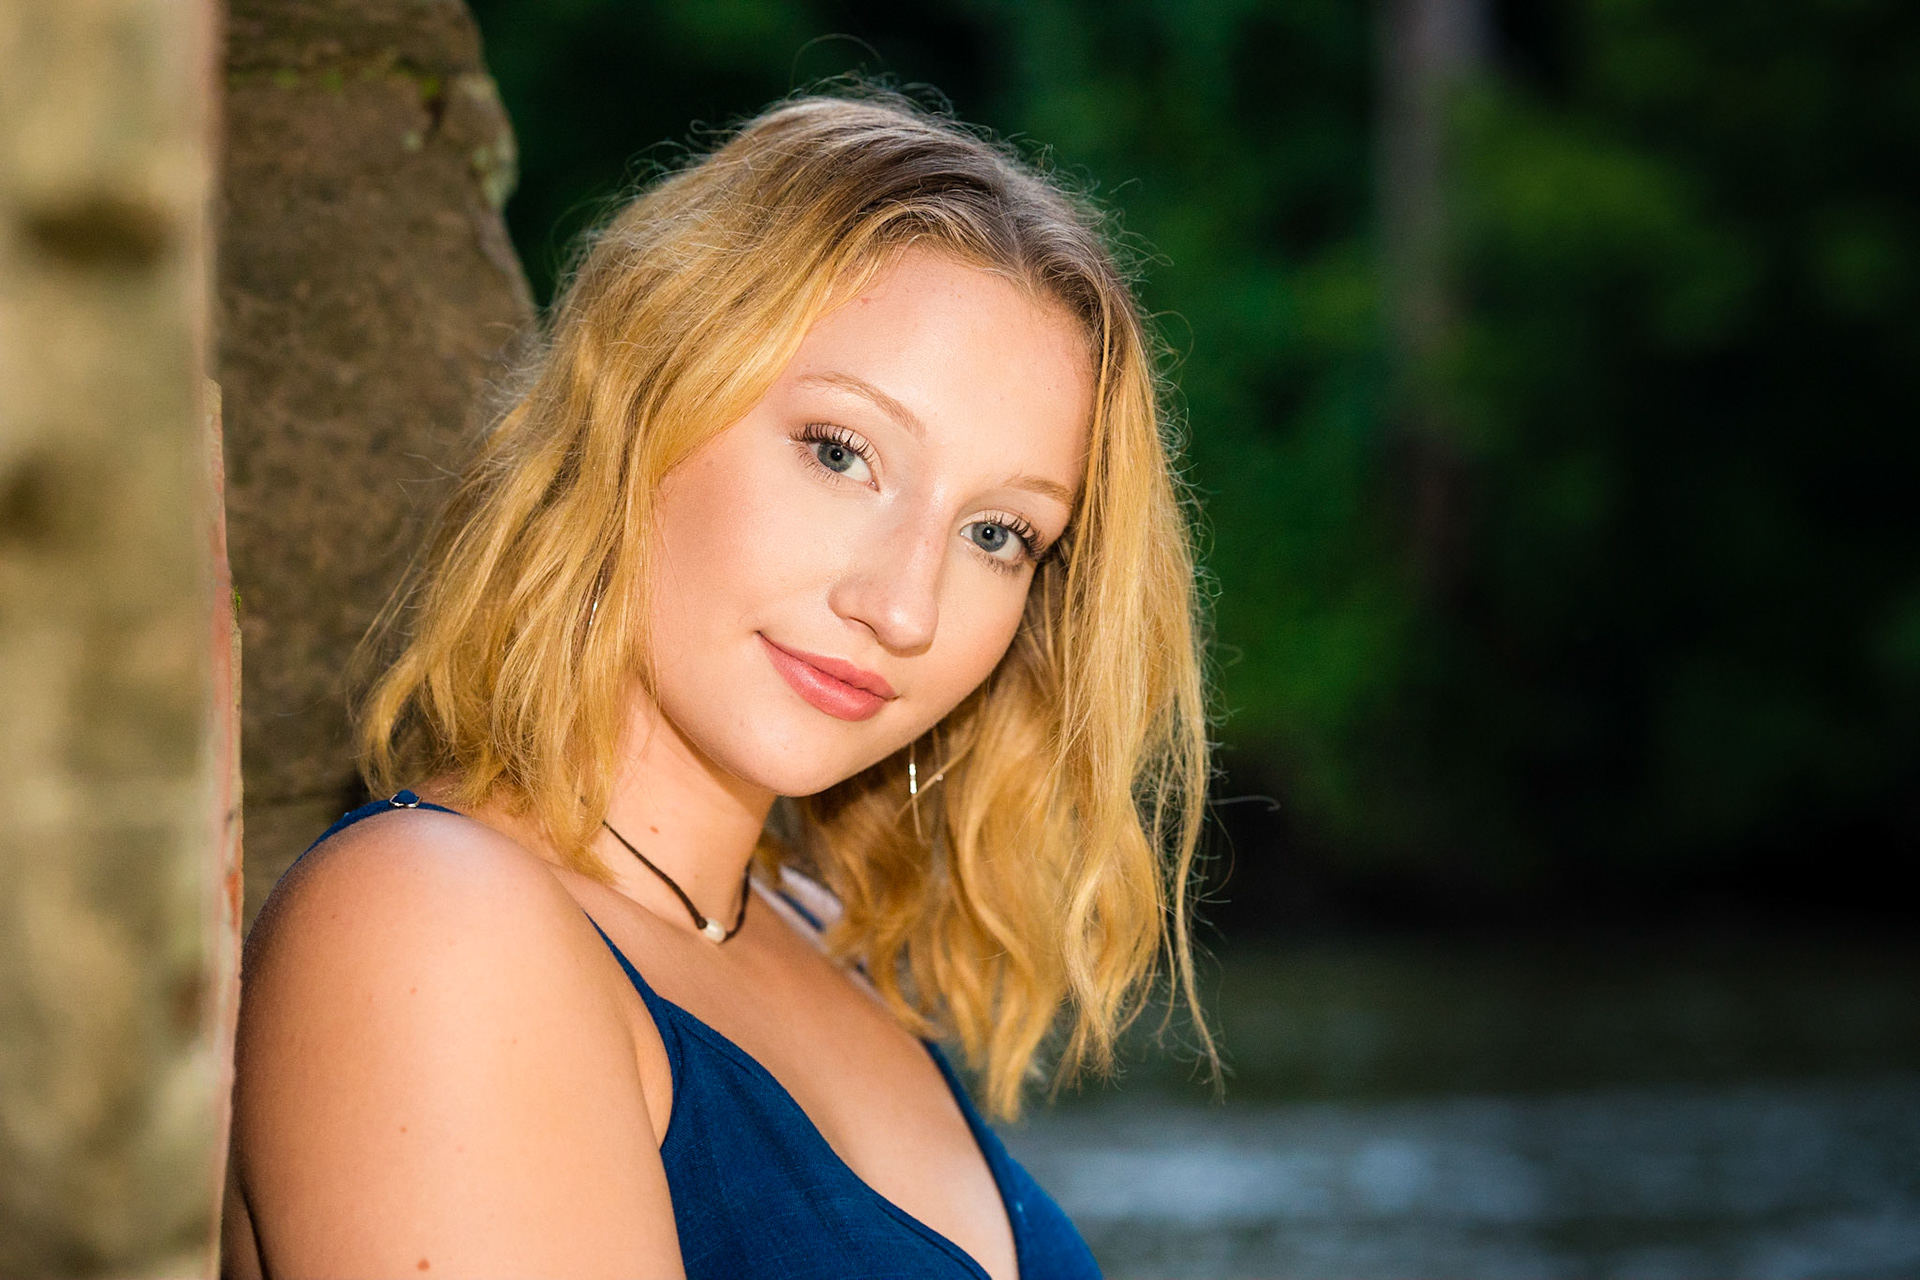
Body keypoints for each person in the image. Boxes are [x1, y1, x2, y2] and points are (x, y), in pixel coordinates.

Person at [221, 89, 1211, 1279]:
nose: (904, 607)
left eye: (998, 532)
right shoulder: (433, 921)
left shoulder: (817, 932)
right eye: (841, 453)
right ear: (645, 406)